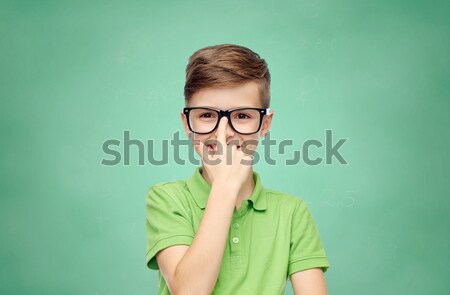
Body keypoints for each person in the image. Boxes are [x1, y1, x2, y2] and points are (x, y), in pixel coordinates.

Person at [145, 44, 330, 295]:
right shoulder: (167, 199)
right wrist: (225, 187)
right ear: (186, 123)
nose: (224, 133)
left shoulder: (292, 212)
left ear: (265, 124)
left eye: (242, 116)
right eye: (207, 115)